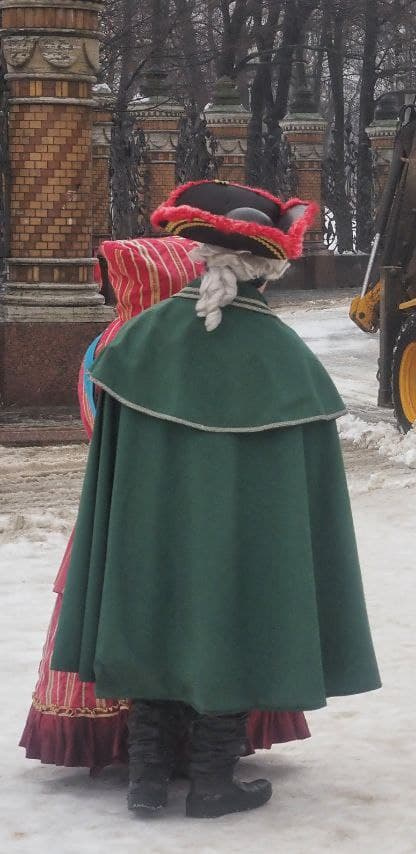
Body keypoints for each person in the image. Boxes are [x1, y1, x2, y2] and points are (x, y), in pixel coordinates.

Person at [50, 180, 381, 818]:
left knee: (151, 611)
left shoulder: (139, 342)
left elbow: (108, 460)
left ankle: (146, 782)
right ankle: (211, 782)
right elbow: (306, 495)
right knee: (235, 617)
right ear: (266, 268)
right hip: (241, 548)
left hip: (147, 536)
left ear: (198, 256)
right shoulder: (283, 360)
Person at [19, 236, 311, 773]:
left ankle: (146, 777)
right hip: (222, 527)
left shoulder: (127, 344)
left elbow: (99, 429)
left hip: (132, 518)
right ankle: (207, 775)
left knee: (143, 624)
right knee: (222, 618)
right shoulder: (245, 339)